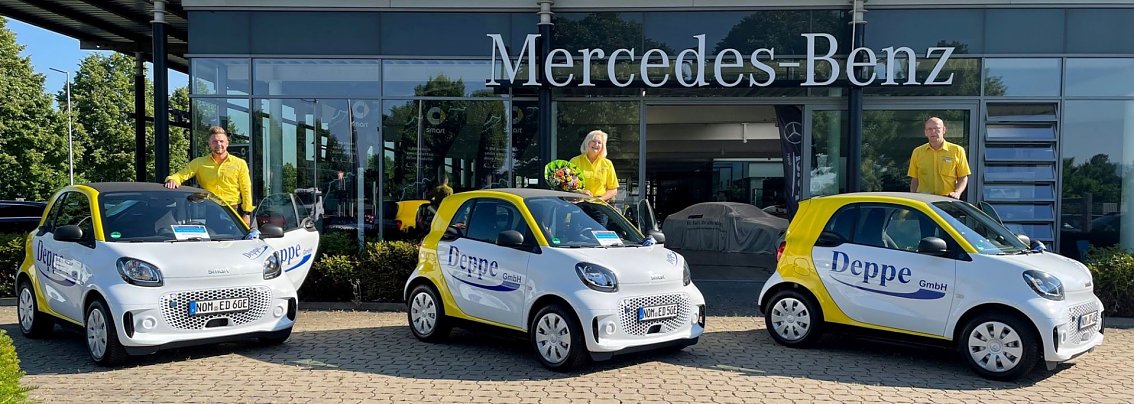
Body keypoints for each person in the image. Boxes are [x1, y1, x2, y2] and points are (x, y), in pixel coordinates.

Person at [165, 126, 254, 225]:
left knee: (235, 240)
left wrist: (247, 213)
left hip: (232, 210)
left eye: (221, 141)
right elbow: (181, 175)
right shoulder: (199, 162)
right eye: (215, 142)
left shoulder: (239, 163)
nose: (218, 144)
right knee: (213, 238)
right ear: (209, 144)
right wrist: (172, 179)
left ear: (227, 143)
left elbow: (246, 189)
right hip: (210, 208)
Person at [908, 117, 970, 198]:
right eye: (929, 129)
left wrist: (957, 193)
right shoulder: (917, 152)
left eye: (937, 128)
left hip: (948, 200)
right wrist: (913, 197)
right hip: (924, 200)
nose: (933, 132)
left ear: (944, 130)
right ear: (925, 132)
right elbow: (914, 179)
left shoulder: (957, 151)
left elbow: (963, 177)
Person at [569, 130, 618, 203]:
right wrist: (580, 192)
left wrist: (600, 199)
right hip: (579, 203)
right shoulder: (575, 161)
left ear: (602, 146)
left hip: (600, 205)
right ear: (587, 142)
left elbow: (613, 189)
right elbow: (568, 185)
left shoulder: (607, 164)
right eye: (593, 141)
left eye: (599, 142)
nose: (596, 144)